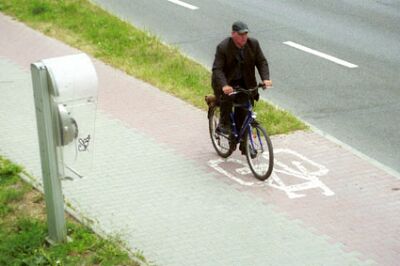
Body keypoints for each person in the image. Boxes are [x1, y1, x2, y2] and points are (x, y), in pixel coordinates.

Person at [211, 21, 272, 136]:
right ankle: (223, 124)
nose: (244, 37)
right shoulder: (223, 47)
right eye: (241, 35)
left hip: (245, 83)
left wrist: (265, 79)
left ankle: (244, 144)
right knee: (228, 97)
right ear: (233, 34)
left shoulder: (253, 44)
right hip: (226, 82)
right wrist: (224, 85)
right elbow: (217, 69)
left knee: (244, 113)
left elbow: (261, 62)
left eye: (245, 34)